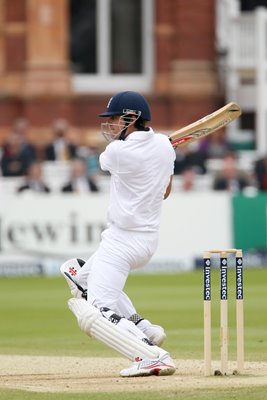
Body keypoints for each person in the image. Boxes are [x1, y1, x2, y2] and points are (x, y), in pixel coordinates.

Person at [60, 91, 176, 377]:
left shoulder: (117, 153)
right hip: (146, 241)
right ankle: (144, 327)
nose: (109, 126)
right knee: (75, 274)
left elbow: (103, 162)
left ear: (131, 118)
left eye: (113, 119)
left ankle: (150, 355)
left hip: (122, 241)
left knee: (97, 311)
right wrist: (160, 150)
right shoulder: (165, 146)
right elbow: (166, 191)